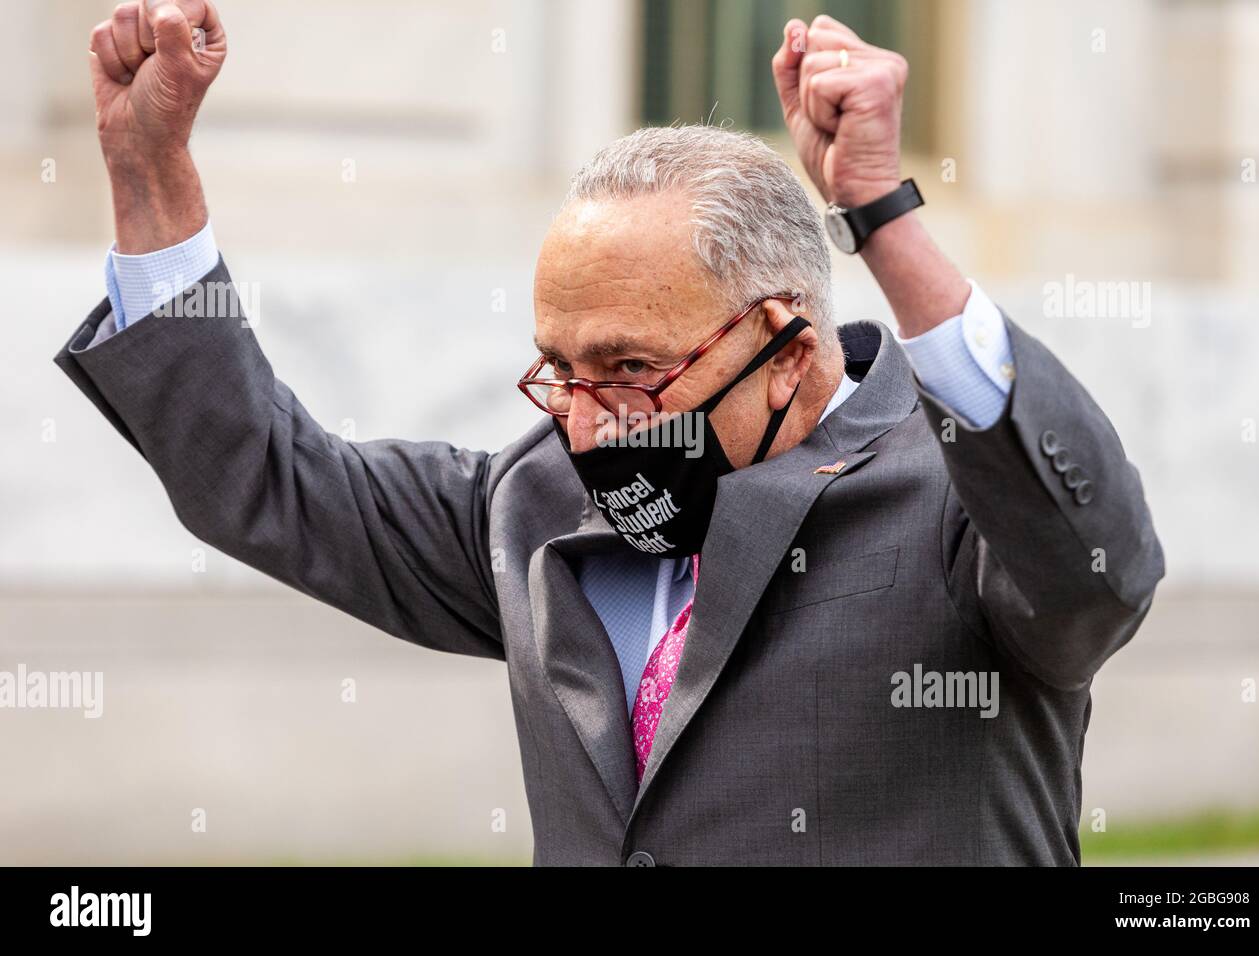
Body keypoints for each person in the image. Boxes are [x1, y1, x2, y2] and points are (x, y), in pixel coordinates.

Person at [60, 3, 1164, 865]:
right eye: (562, 369)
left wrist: (883, 215)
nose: (590, 423)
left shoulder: (959, 507)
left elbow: (1093, 571)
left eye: (634, 370)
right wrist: (148, 174)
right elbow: (264, 479)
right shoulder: (531, 503)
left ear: (786, 345)